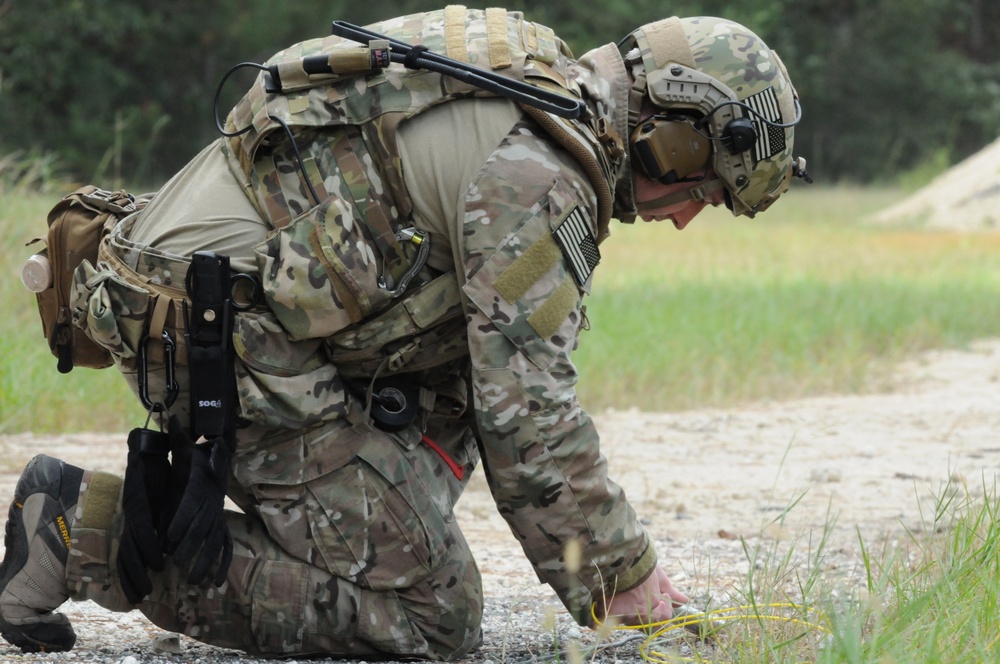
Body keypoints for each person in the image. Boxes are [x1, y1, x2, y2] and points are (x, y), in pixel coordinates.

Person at [0, 5, 807, 659]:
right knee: (433, 615)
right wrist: (619, 577)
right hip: (212, 328)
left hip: (217, 306)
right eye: (705, 187)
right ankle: (82, 534)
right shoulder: (540, 176)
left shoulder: (529, 80)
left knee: (437, 424)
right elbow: (530, 416)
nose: (688, 218)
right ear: (677, 135)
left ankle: (311, 530)